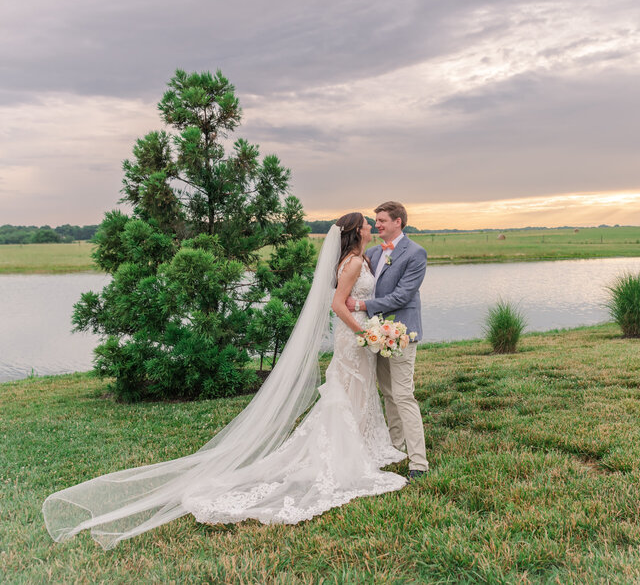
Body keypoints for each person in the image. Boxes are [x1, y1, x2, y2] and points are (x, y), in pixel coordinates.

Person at [43, 213, 406, 550]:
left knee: (353, 394)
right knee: (346, 394)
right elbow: (338, 304)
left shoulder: (355, 259)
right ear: (355, 232)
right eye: (366, 225)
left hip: (356, 338)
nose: (371, 228)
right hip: (353, 338)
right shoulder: (354, 262)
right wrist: (366, 333)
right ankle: (347, 454)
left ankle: (359, 446)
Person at [345, 201, 428, 480]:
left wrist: (360, 306)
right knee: (388, 394)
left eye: (382, 220)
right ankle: (395, 448)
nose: (377, 224)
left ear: (398, 222)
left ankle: (418, 462)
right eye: (375, 220)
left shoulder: (416, 253)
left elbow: (402, 297)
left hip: (402, 334)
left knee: (404, 394)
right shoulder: (371, 253)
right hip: (375, 334)